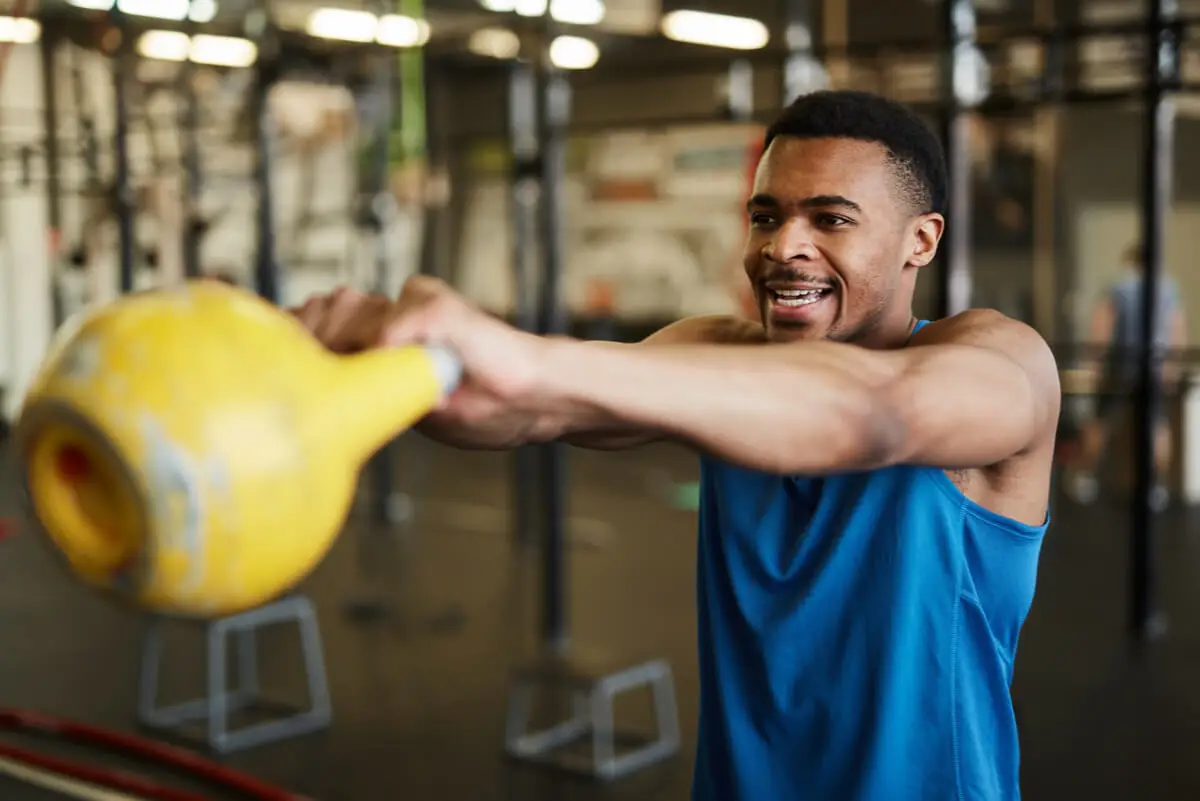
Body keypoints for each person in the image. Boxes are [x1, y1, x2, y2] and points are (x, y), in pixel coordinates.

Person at [295, 90, 1060, 801]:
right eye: (766, 217)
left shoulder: (999, 361)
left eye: (830, 220)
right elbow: (525, 410)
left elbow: (879, 413)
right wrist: (391, 362)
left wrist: (519, 358)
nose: (783, 246)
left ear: (919, 241)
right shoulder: (719, 351)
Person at [1067, 244, 1186, 507]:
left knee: (1100, 423)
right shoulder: (1168, 289)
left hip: (1121, 365)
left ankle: (1084, 478)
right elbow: (1177, 329)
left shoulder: (1120, 286)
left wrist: (1094, 364)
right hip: (1154, 366)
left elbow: (1103, 326)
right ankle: (1156, 486)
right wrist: (1171, 367)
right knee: (1156, 426)